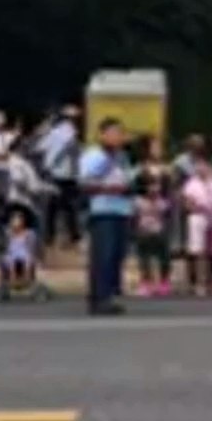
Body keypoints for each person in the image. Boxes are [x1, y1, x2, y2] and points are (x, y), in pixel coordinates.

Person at [79, 117, 134, 315]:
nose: (118, 137)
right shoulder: (93, 155)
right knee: (103, 255)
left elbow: (127, 178)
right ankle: (98, 297)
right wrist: (109, 185)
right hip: (102, 210)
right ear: (102, 134)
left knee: (117, 256)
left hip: (121, 209)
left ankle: (110, 295)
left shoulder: (123, 156)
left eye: (120, 133)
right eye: (113, 133)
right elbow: (86, 181)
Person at [33, 105, 82, 247]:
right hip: (63, 174)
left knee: (54, 208)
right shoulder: (69, 132)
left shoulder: (55, 132)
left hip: (59, 174)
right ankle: (71, 236)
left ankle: (51, 236)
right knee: (67, 208)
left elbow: (40, 147)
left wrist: (46, 166)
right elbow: (59, 149)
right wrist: (49, 164)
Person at [182, 160, 212, 296]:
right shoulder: (191, 184)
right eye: (199, 167)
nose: (202, 169)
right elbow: (187, 203)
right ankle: (197, 283)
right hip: (197, 217)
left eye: (204, 166)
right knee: (197, 251)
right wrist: (199, 208)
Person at [133, 177, 173, 296]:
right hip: (143, 232)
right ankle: (146, 283)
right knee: (144, 259)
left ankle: (164, 282)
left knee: (164, 258)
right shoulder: (138, 201)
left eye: (156, 186)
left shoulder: (164, 201)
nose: (153, 189)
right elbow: (135, 217)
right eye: (151, 186)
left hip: (159, 232)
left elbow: (167, 216)